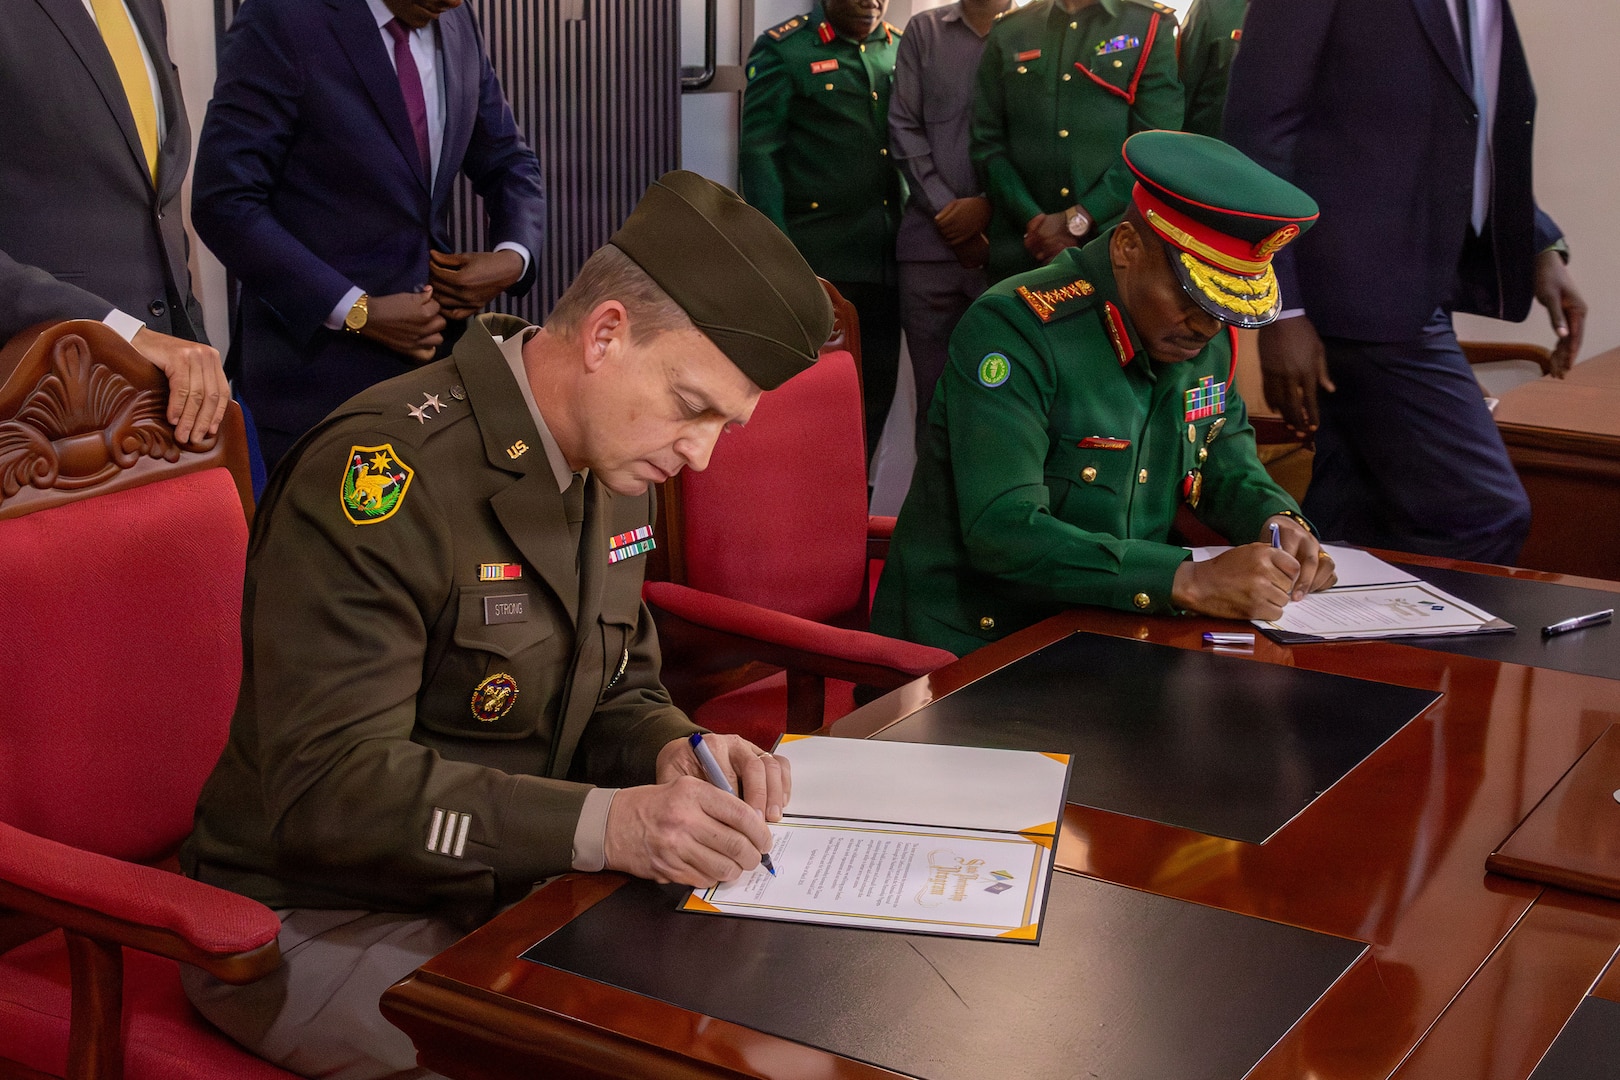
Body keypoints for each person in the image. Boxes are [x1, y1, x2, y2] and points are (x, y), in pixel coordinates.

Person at [179, 171, 831, 1078]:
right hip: (317, 920)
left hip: (517, 897)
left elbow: (620, 686)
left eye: (727, 425)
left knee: (761, 1017)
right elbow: (327, 789)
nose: (703, 454)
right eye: (694, 409)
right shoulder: (380, 475)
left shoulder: (608, 461)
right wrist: (613, 826)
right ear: (606, 333)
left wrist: (674, 750)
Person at [872, 131, 1334, 657]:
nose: (1206, 326)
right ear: (1127, 247)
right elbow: (1004, 532)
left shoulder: (1202, 342)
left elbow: (1224, 464)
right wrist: (1186, 580)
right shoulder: (1016, 330)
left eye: (1225, 309)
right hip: (982, 645)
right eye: (1193, 295)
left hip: (1121, 633)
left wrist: (1275, 520)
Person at [1223, 0, 1588, 565]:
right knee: (1485, 511)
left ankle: (1341, 647)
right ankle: (1434, 646)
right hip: (1350, 294)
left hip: (1419, 284)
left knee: (1353, 522)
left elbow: (1474, 123)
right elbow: (1258, 130)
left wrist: (1537, 242)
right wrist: (1283, 308)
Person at [193, 0, 547, 471]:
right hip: (316, 387)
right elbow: (225, 202)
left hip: (437, 380)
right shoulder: (283, 17)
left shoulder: (455, 20)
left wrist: (513, 257)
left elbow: (508, 161)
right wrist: (355, 310)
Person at [1, 0, 229, 447]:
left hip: (174, 406)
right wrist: (120, 331)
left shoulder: (143, 6)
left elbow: (149, 200)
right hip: (41, 421)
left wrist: (189, 337)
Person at [739, 0, 904, 462]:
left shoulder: (899, 48)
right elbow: (760, 156)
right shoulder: (785, 49)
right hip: (819, 263)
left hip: (888, 261)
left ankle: (855, 510)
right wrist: (779, 259)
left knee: (872, 404)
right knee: (809, 409)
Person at [971, 0, 1183, 283]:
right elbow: (988, 142)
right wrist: (1033, 220)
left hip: (1111, 249)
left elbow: (1156, 145)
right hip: (1022, 249)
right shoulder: (1011, 29)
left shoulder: (1148, 25)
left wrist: (1081, 217)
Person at [889, 0, 1010, 442]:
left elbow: (1040, 136)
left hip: (1006, 252)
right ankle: (933, 511)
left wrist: (987, 208)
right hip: (928, 250)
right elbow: (903, 128)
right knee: (935, 406)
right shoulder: (923, 31)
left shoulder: (1031, 31)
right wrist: (949, 215)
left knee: (1004, 407)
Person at [1177, 0, 1247, 138]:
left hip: (1278, 152)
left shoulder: (1298, 15)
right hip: (1207, 146)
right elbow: (1183, 84)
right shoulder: (1214, 6)